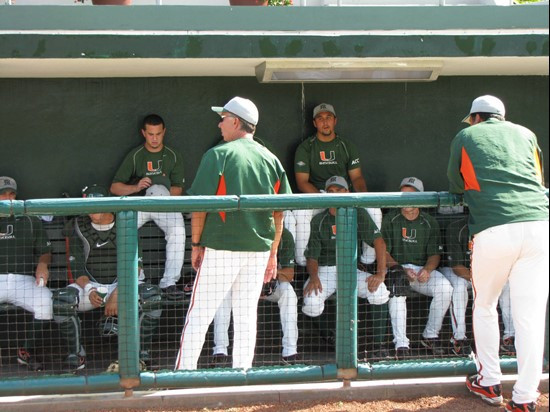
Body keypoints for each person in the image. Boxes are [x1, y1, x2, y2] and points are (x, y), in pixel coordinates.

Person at [174, 96, 292, 371]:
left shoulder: (219, 153)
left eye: (224, 118)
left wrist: (195, 244)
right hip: (258, 251)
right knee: (246, 315)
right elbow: (280, 213)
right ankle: (242, 375)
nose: (219, 123)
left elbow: (199, 207)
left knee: (200, 312)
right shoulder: (270, 158)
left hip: (222, 248)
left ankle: (183, 375)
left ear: (236, 121)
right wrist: (273, 253)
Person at [448, 95, 548, 411]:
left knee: (486, 304)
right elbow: (538, 179)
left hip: (494, 227)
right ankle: (525, 397)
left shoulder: (466, 135)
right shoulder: (526, 133)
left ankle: (490, 381)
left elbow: (455, 183)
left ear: (476, 117)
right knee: (530, 318)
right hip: (539, 227)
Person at [52, 185, 162, 372]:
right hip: (92, 286)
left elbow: (136, 266)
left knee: (152, 298)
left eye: (96, 203)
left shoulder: (126, 222)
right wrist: (90, 289)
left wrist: (119, 292)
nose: (91, 209)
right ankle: (75, 353)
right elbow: (77, 269)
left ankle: (141, 354)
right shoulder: (79, 226)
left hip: (125, 283)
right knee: (62, 301)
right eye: (88, 204)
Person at [302, 176, 391, 361]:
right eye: (331, 191)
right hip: (325, 271)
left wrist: (381, 273)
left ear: (347, 192)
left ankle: (378, 345)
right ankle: (330, 336)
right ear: (326, 195)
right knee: (311, 301)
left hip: (351, 268)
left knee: (379, 291)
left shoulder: (357, 214)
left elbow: (379, 242)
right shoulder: (319, 219)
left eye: (339, 190)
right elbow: (312, 257)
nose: (335, 194)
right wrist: (314, 276)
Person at [291, 103, 381, 267]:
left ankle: (368, 261)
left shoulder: (346, 146)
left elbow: (357, 178)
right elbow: (302, 182)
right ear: (314, 123)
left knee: (374, 209)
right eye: (320, 118)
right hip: (319, 195)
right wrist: (323, 199)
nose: (325, 122)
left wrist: (363, 198)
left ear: (335, 121)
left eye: (328, 118)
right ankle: (302, 262)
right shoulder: (306, 147)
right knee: (301, 212)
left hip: (344, 194)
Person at [110, 114, 185, 301]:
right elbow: (115, 187)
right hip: (140, 203)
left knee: (178, 229)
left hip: (164, 202)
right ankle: (137, 278)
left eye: (158, 134)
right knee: (123, 228)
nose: (154, 138)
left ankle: (169, 283)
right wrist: (136, 187)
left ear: (164, 132)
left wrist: (164, 198)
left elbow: (177, 188)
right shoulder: (136, 155)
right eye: (150, 134)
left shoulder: (173, 155)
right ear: (143, 133)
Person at [382, 177, 453, 360]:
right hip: (398, 269)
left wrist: (427, 270)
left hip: (421, 270)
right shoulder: (391, 218)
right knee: (397, 290)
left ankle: (430, 335)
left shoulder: (429, 222)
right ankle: (401, 344)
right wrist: (400, 269)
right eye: (404, 194)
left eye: (412, 195)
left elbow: (435, 255)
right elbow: (383, 253)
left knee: (446, 289)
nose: (407, 199)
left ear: (421, 198)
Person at [211, 227, 299, 366]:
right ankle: (220, 352)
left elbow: (289, 274)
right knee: (222, 295)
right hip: (241, 286)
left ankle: (290, 352)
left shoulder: (284, 235)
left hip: (269, 285)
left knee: (288, 293)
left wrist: (268, 272)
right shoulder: (244, 230)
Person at [441, 215, 515, 357]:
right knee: (459, 287)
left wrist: (491, 278)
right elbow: (457, 266)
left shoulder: (494, 227)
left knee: (506, 284)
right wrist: (481, 280)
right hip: (457, 272)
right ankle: (459, 338)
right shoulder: (457, 227)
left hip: (482, 273)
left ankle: (509, 336)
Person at [0, 176, 52, 371]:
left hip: (23, 280)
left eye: (11, 193)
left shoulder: (29, 219)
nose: (7, 198)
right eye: (2, 194)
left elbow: (45, 251)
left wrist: (42, 264)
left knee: (46, 302)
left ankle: (26, 351)